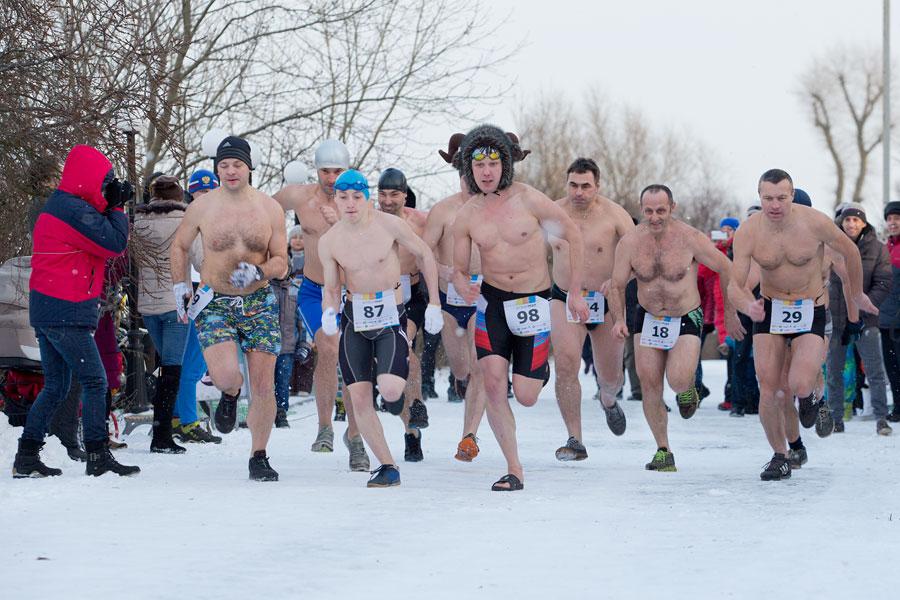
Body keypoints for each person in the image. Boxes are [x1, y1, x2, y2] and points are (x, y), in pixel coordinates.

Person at [452, 124, 590, 491]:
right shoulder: (466, 216)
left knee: (526, 395)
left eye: (492, 163)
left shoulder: (529, 200)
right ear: (469, 169)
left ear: (504, 165)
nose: (485, 172)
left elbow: (573, 234)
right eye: (478, 165)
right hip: (493, 303)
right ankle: (514, 468)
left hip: (533, 300)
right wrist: (461, 282)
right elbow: (460, 269)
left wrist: (575, 291)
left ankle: (535, 373)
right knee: (494, 382)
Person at [729, 169, 877, 481]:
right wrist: (745, 305)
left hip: (811, 308)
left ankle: (812, 397)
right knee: (770, 390)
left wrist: (856, 301)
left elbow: (850, 254)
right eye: (767, 198)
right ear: (760, 197)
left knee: (798, 383)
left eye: (781, 197)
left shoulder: (815, 223)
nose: (774, 204)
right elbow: (736, 282)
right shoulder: (750, 231)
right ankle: (781, 454)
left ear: (792, 196)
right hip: (770, 309)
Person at [13, 144, 139, 477]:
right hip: (64, 310)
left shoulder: (64, 206)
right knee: (95, 382)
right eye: (103, 182)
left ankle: (26, 456)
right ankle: (97, 455)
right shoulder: (70, 209)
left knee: (57, 386)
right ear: (86, 179)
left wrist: (108, 203)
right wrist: (117, 207)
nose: (105, 189)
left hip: (51, 308)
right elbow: (113, 243)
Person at [171, 135, 287, 481]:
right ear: (216, 169)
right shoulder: (202, 207)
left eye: (237, 164)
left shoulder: (269, 208)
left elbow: (282, 261)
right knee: (224, 376)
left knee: (264, 385)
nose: (230, 171)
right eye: (224, 165)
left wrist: (261, 270)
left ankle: (259, 455)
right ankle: (231, 392)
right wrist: (180, 286)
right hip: (214, 301)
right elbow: (179, 246)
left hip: (259, 301)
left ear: (249, 167)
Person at [319, 169, 443, 487]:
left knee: (390, 391)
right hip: (354, 318)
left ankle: (394, 393)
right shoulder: (330, 241)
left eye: (356, 197)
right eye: (343, 197)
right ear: (336, 199)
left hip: (390, 316)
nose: (350, 204)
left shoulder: (389, 225)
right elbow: (331, 287)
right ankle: (387, 466)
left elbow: (425, 254)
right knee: (358, 398)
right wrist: (328, 312)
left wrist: (434, 304)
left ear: (367, 198)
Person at [608, 184, 738, 473]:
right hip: (648, 316)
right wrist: (619, 319)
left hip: (684, 315)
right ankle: (663, 450)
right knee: (649, 383)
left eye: (661, 211)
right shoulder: (630, 242)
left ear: (673, 208)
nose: (655, 217)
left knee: (677, 380)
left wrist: (729, 314)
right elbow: (616, 284)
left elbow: (725, 267)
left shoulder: (690, 238)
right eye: (649, 211)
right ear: (642, 209)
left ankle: (688, 389)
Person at [273, 139, 369, 471]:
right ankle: (325, 427)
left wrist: (340, 221)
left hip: (351, 292)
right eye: (325, 172)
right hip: (315, 290)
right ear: (316, 171)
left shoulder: (358, 200)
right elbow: (265, 207)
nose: (331, 178)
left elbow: (371, 243)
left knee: (354, 357)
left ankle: (355, 436)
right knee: (328, 348)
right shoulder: (301, 196)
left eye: (337, 171)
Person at [549, 158, 633, 461]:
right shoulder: (552, 214)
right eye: (574, 185)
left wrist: (619, 279)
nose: (579, 192)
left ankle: (609, 400)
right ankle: (575, 439)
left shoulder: (615, 215)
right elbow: (527, 249)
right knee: (566, 363)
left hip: (606, 301)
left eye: (586, 186)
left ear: (597, 186)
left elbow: (637, 254)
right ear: (567, 184)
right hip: (564, 297)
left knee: (609, 375)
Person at [423, 133, 487, 462]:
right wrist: (444, 273)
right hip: (451, 300)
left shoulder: (494, 208)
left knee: (481, 367)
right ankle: (460, 382)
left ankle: (469, 436)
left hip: (484, 298)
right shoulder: (443, 210)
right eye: (462, 168)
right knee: (461, 368)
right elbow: (424, 255)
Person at [134, 174, 200, 453]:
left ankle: (162, 430)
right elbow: (200, 259)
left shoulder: (137, 223)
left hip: (147, 305)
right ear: (178, 196)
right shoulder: (186, 222)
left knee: (165, 365)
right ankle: (162, 436)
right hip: (176, 304)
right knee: (173, 368)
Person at [376, 168, 430, 460]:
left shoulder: (420, 222)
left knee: (405, 348)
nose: (387, 200)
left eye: (394, 194)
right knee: (392, 363)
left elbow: (433, 255)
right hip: (381, 296)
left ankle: (417, 403)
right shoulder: (369, 221)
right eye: (382, 194)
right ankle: (412, 432)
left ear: (405, 195)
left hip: (412, 296)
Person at [824, 202, 891, 435]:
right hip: (835, 318)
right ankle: (835, 418)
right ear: (841, 223)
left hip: (866, 320)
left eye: (856, 220)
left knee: (875, 371)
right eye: (847, 220)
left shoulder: (878, 249)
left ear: (864, 223)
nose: (851, 223)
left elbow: (883, 282)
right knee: (833, 370)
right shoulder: (830, 246)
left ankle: (881, 417)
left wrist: (863, 304)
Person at [171, 169, 222, 444]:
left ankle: (180, 416)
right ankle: (187, 421)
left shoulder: (221, 218)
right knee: (192, 362)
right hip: (194, 294)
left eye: (209, 191)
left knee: (194, 361)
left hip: (211, 293)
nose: (205, 196)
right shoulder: (189, 220)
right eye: (200, 192)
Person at [880, 201, 900, 423]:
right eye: (890, 219)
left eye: (897, 218)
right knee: (891, 367)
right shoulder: (885, 248)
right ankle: (898, 406)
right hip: (885, 318)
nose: (893, 223)